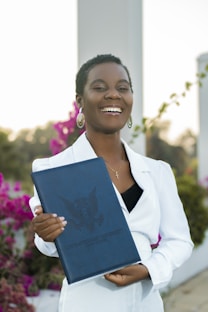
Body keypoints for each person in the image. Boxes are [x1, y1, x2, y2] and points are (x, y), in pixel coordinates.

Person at [29, 54, 194, 312]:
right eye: (99, 87)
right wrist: (45, 233)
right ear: (80, 101)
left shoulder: (158, 171)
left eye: (122, 88)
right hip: (85, 303)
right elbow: (48, 246)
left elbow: (180, 241)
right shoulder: (53, 170)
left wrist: (148, 269)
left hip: (145, 303)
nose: (113, 95)